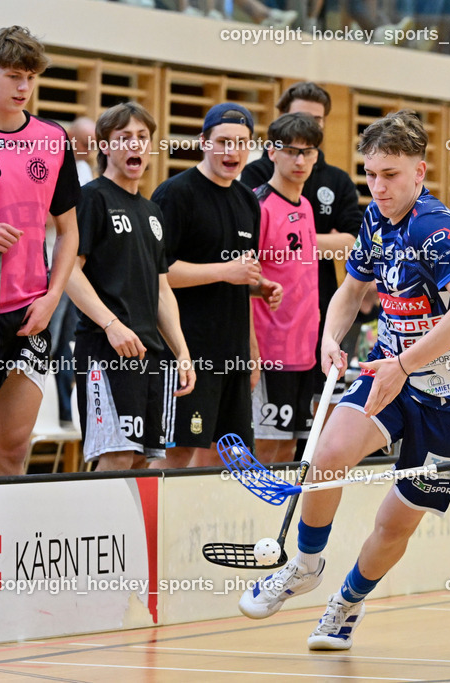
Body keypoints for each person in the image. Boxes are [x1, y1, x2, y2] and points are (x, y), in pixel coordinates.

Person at [238, 110, 450, 652]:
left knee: (393, 523)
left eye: (391, 175)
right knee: (328, 451)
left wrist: (405, 363)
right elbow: (352, 291)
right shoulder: (376, 221)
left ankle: (346, 604)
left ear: (420, 172)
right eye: (371, 174)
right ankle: (305, 566)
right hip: (390, 372)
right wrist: (331, 338)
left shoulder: (436, 228)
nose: (379, 187)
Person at [0, 26, 80, 477]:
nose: (24, 88)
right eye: (14, 76)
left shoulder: (52, 141)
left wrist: (53, 297)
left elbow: (68, 232)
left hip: (30, 311)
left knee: (12, 449)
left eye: (31, 78)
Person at [151, 103, 282, 469]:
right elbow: (160, 273)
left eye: (241, 143)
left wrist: (257, 289)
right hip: (187, 350)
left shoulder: (247, 201)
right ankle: (154, 526)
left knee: (228, 454)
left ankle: (197, 526)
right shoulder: (175, 194)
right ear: (204, 142)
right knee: (177, 451)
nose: (232, 152)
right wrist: (227, 271)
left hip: (233, 351)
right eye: (223, 142)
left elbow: (237, 277)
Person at [66, 103, 196, 471]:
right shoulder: (92, 198)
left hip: (150, 354)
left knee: (144, 460)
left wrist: (181, 351)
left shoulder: (152, 212)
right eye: (124, 138)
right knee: (117, 456)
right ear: (104, 146)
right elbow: (68, 273)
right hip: (104, 349)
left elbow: (161, 290)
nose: (134, 146)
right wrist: (111, 325)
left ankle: (134, 533)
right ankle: (95, 529)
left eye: (142, 138)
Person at [240, 82, 362, 435]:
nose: (300, 158)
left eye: (317, 121)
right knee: (267, 439)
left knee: (305, 436)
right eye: (292, 149)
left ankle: (303, 492)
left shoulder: (324, 189)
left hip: (314, 327)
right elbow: (248, 266)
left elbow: (353, 242)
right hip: (271, 334)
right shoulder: (257, 188)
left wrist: (300, 245)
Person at [251, 112, 324, 464]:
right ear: (271, 152)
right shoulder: (258, 205)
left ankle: (277, 518)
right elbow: (245, 279)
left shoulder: (308, 206)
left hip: (305, 350)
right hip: (270, 350)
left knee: (291, 450)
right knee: (265, 446)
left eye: (308, 152)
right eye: (291, 151)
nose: (300, 160)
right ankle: (252, 518)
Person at [48, 116, 97, 429]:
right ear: (75, 140)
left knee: (66, 342)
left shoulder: (87, 169)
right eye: (88, 142)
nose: (92, 148)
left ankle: (65, 413)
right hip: (51, 267)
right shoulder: (58, 163)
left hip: (74, 269)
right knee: (48, 340)